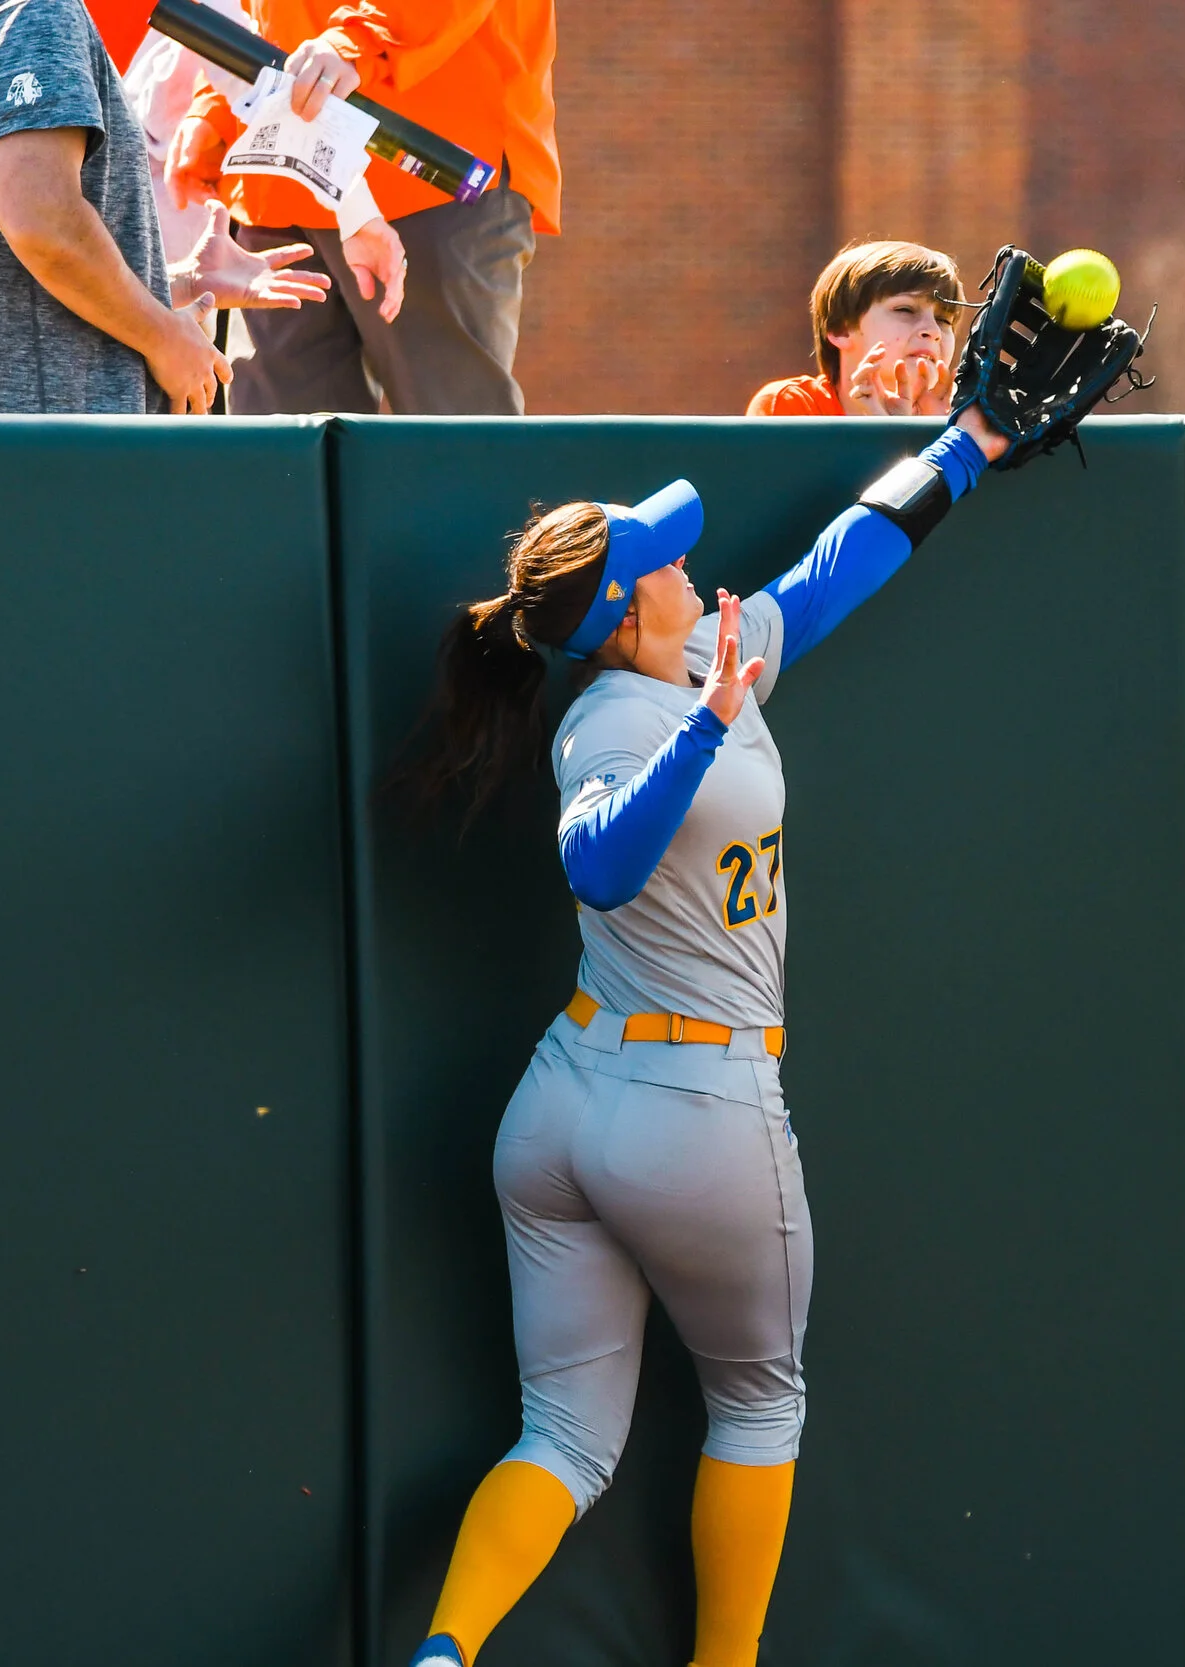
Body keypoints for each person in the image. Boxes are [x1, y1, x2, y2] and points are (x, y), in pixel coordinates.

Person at [391, 396, 1016, 1667]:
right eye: (661, 561)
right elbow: (601, 861)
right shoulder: (622, 717)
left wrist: (969, 445)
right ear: (627, 609)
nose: (686, 563)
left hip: (570, 1096)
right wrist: (709, 723)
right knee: (758, 1402)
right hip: (693, 1112)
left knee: (564, 1435)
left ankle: (443, 1651)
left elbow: (837, 564)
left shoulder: (706, 660)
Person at [0, 0, 329, 414]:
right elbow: (42, 222)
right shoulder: (32, 10)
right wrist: (163, 336)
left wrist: (169, 283)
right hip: (19, 443)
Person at [168, 0, 555, 414]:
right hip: (281, 179)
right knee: (283, 457)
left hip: (428, 166)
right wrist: (217, 111)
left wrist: (358, 40)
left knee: (455, 443)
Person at [747, 240, 962, 419]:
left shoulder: (962, 419)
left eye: (944, 320)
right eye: (905, 310)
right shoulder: (796, 406)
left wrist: (939, 437)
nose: (933, 330)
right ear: (841, 329)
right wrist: (889, 436)